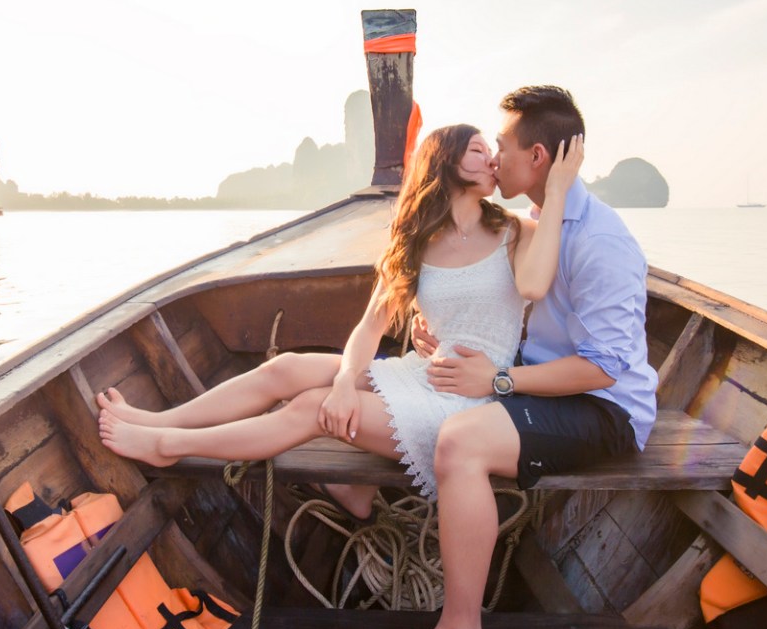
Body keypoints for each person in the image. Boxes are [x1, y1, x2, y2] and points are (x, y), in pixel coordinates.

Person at [95, 122, 583, 520]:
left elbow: (536, 286)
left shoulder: (517, 231)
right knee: (285, 368)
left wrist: (556, 192)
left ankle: (168, 444)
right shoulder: (415, 239)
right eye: (479, 151)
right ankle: (159, 419)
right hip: (423, 372)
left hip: (468, 403)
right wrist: (348, 381)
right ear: (447, 161)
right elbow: (371, 327)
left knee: (311, 408)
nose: (492, 160)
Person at [367, 85, 657, 629]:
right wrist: (434, 331)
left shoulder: (600, 242)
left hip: (603, 410)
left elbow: (604, 369)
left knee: (460, 443)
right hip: (545, 380)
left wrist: (498, 380)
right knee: (433, 411)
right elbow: (496, 293)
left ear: (540, 159)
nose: (493, 158)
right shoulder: (534, 222)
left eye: (501, 146)